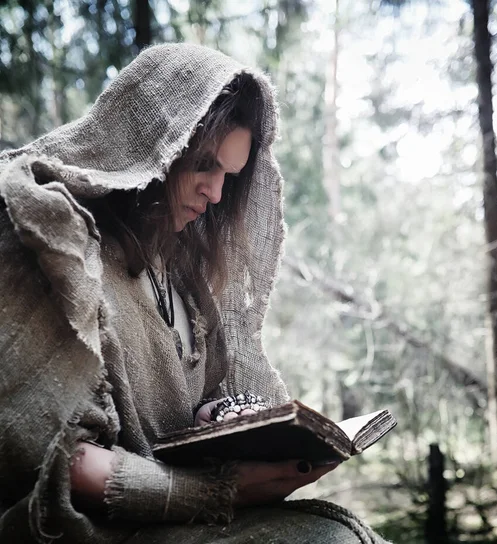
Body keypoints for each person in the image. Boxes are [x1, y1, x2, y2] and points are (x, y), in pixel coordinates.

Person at [0, 43, 389, 543]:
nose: (216, 192)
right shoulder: (46, 229)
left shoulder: (180, 269)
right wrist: (213, 492)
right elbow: (57, 454)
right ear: (150, 145)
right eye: (204, 163)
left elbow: (176, 408)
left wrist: (215, 421)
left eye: (230, 174)